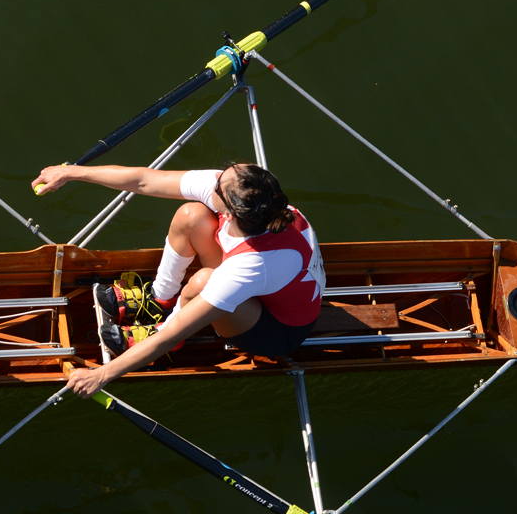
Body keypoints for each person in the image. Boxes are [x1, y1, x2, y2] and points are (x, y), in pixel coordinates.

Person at [31, 163, 324, 398]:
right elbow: (144, 180)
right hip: (264, 288)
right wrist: (71, 172)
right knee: (191, 215)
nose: (216, 177)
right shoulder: (251, 197)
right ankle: (160, 297)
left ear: (229, 209)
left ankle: (162, 324)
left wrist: (102, 375)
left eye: (220, 180)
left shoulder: (254, 264)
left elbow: (174, 332)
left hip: (276, 329)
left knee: (203, 282)